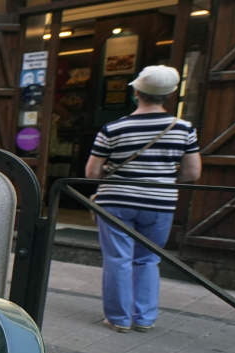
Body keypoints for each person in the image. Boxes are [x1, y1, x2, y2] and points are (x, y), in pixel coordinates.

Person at [85, 64, 201, 333]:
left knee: (117, 258)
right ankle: (145, 318)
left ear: (137, 91)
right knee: (148, 259)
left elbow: (92, 172)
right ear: (170, 94)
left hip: (117, 200)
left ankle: (118, 318)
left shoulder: (113, 128)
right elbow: (193, 172)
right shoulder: (184, 129)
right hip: (160, 202)